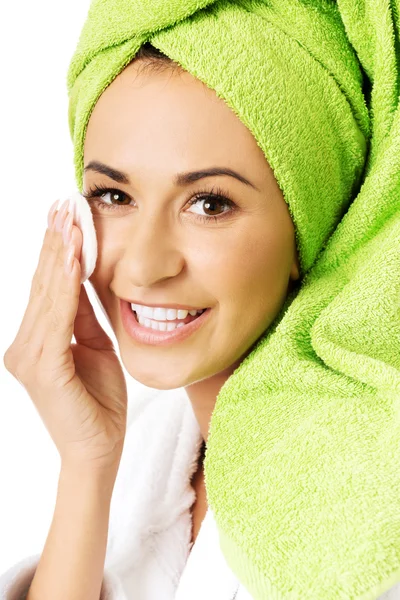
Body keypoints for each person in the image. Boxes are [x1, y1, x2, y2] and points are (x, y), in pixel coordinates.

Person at [2, 1, 400, 599]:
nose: (142, 265)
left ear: (306, 226)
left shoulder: (367, 503)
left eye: (209, 203)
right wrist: (87, 465)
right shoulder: (147, 440)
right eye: (114, 196)